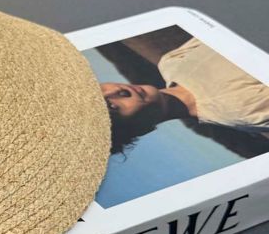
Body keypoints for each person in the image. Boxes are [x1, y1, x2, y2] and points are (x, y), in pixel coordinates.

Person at [102, 37, 269, 154]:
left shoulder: (170, 63)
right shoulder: (241, 110)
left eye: (100, 91)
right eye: (112, 106)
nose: (117, 90)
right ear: (142, 128)